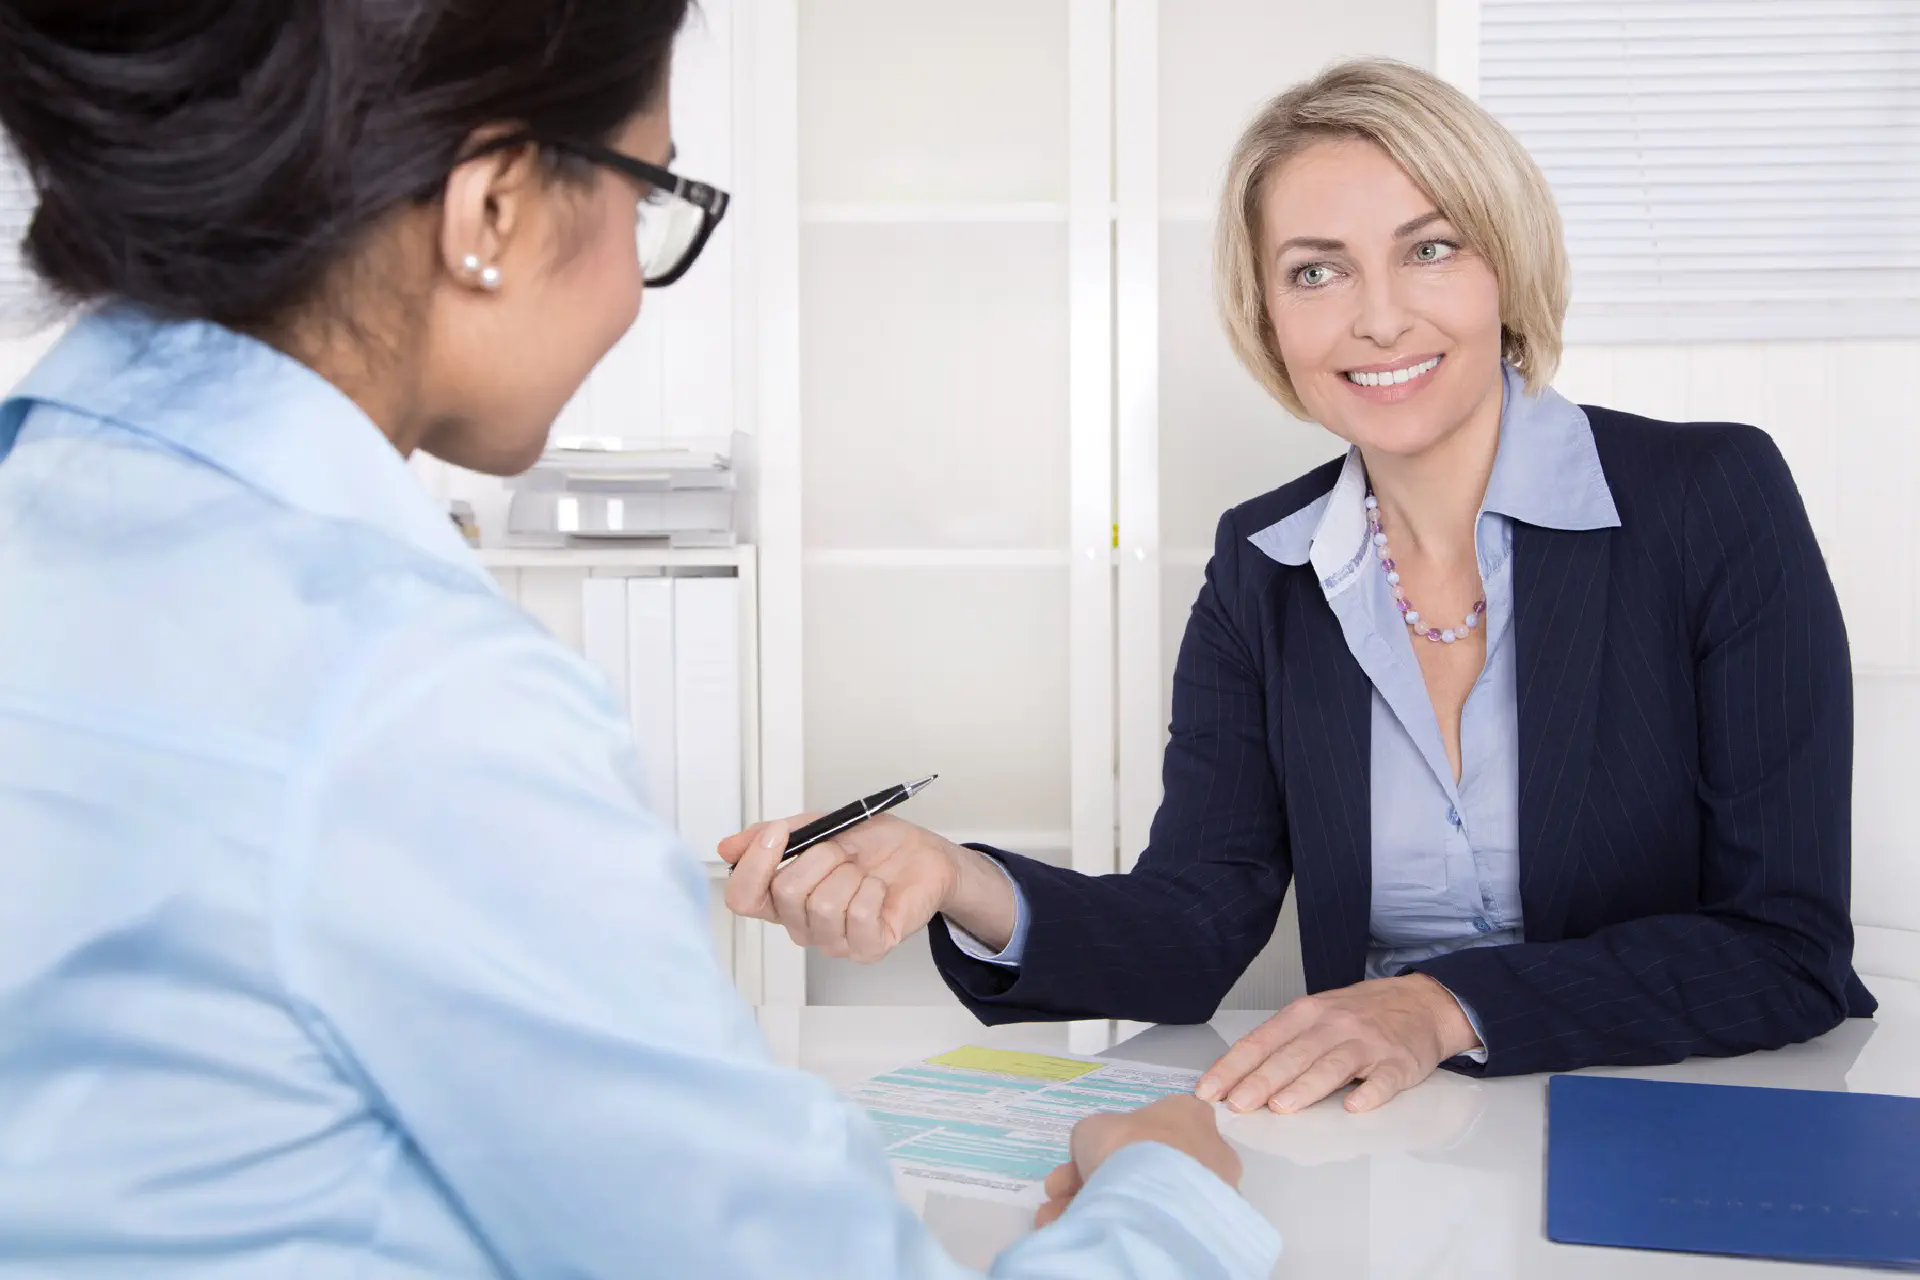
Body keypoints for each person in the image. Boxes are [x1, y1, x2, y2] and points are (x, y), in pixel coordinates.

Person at [0, 3, 1282, 1277]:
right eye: (647, 200)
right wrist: (1170, 1193)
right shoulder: (402, 687)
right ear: (492, 208)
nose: (629, 286)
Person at [723, 57, 1877, 1118]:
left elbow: (1784, 945)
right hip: (1391, 1132)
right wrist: (958, 877)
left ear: (1509, 270)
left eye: (1432, 249)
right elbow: (1188, 931)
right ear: (1270, 319)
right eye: (1316, 270)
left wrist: (1440, 1005)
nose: (1378, 316)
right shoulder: (1264, 565)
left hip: (1678, 1115)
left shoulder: (1707, 496)